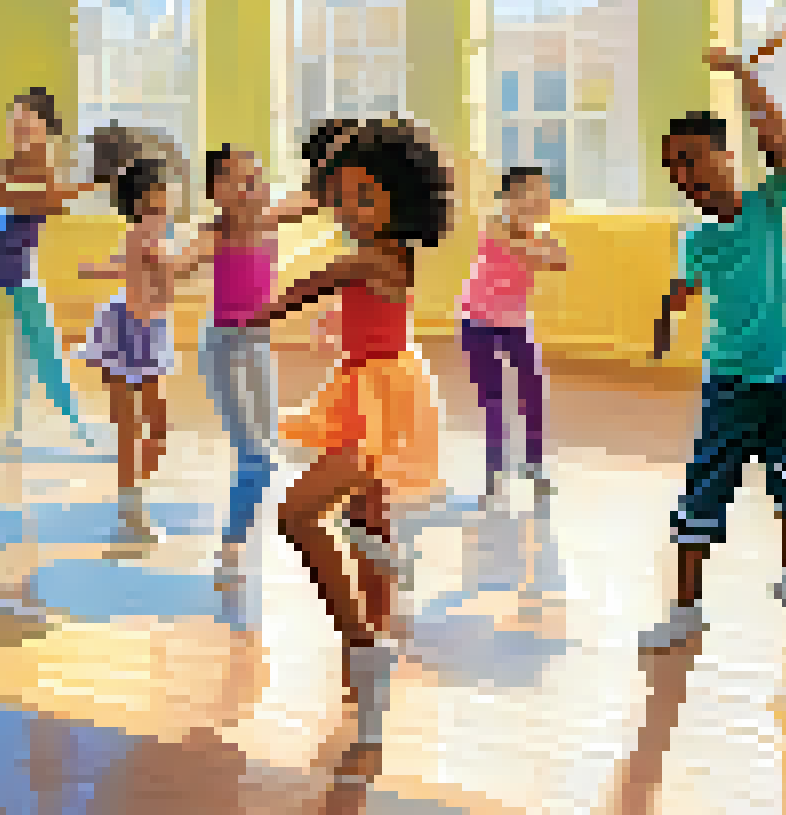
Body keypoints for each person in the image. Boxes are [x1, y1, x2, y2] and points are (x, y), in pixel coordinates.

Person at [239, 116, 454, 781]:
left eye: (365, 198)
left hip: (380, 399)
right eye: (345, 197)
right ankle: (372, 646)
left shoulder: (378, 254)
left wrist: (264, 314)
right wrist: (309, 192)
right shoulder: (386, 239)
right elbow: (323, 204)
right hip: (367, 384)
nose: (349, 209)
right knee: (367, 520)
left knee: (298, 514)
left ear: (400, 199)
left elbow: (321, 279)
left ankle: (364, 643)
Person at [644, 33, 786, 649]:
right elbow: (682, 288)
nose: (683, 175)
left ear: (727, 157)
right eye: (672, 167)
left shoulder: (766, 205)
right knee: (704, 488)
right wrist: (665, 317)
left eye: (691, 159)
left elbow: (781, 144)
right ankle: (684, 609)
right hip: (729, 381)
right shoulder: (696, 237)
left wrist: (739, 73)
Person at [171, 143, 318, 586]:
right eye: (242, 179)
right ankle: (231, 548)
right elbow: (179, 266)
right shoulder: (217, 232)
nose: (254, 186)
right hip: (227, 346)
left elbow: (323, 197)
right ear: (219, 191)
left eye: (257, 177)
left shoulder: (270, 218)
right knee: (255, 456)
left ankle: (240, 542)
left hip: (258, 343)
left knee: (266, 449)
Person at [75, 125, 188, 548]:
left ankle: (134, 495)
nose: (163, 208)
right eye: (155, 202)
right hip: (128, 329)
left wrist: (100, 270)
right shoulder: (144, 235)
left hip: (151, 329)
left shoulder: (157, 236)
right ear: (138, 204)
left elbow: (133, 270)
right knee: (130, 424)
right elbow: (144, 269)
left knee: (153, 423)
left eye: (166, 201)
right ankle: (130, 504)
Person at [0, 88, 101, 441]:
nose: (18, 129)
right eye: (14, 122)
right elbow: (23, 196)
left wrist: (87, 184)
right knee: (3, 360)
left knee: (43, 355)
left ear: (47, 129)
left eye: (26, 123)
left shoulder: (44, 173)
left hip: (16, 277)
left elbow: (43, 199)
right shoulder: (2, 170)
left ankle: (70, 423)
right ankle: (6, 426)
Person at [458, 165, 569, 504]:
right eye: (533, 191)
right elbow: (528, 252)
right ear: (510, 197)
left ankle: (533, 465)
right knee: (493, 397)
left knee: (532, 392)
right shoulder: (493, 222)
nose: (541, 198)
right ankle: (495, 470)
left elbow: (563, 261)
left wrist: (543, 244)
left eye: (544, 192)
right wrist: (541, 247)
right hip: (477, 321)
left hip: (516, 323)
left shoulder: (538, 231)